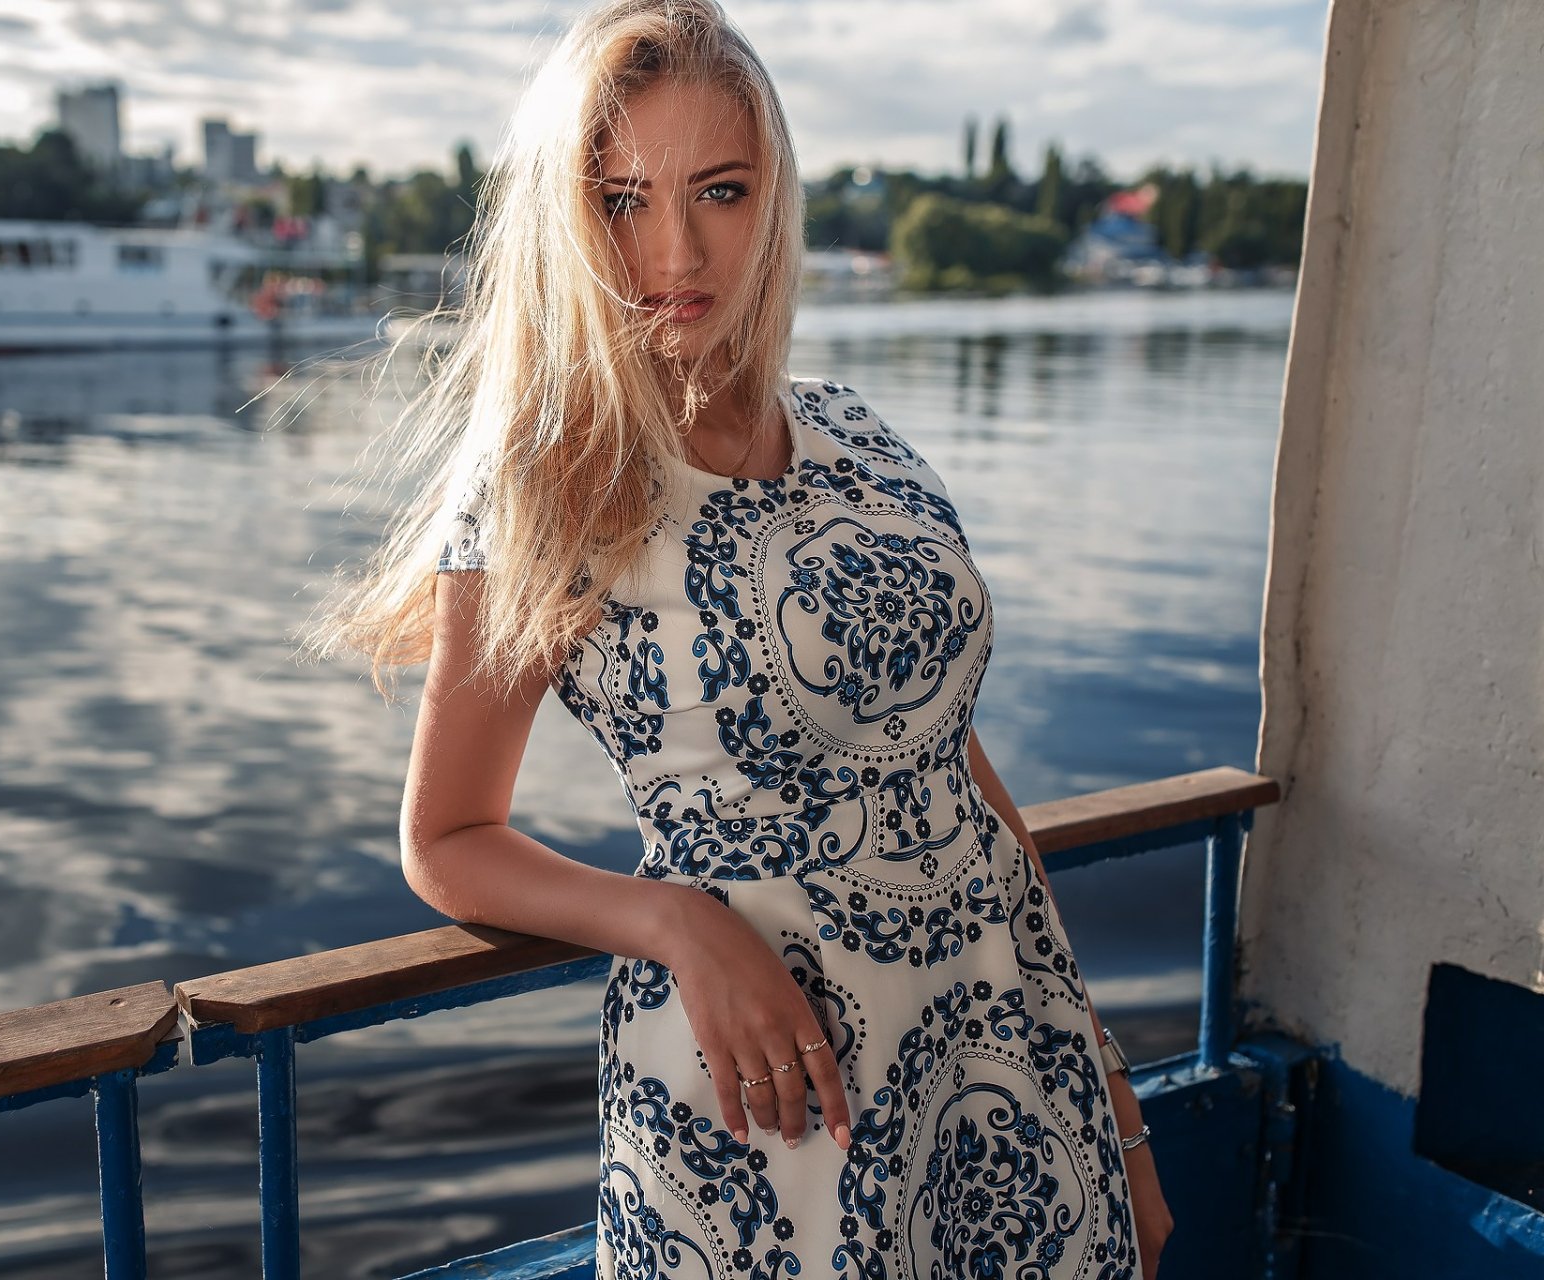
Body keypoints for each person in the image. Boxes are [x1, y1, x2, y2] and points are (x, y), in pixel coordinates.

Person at [302, 0, 1173, 1274]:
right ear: (567, 219)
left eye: (719, 189)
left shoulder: (859, 435)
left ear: (775, 199)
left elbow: (962, 774)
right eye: (621, 199)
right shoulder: (551, 486)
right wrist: (671, 919)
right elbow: (445, 838)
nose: (674, 250)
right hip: (775, 1108)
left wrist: (1118, 1104)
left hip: (1005, 1059)